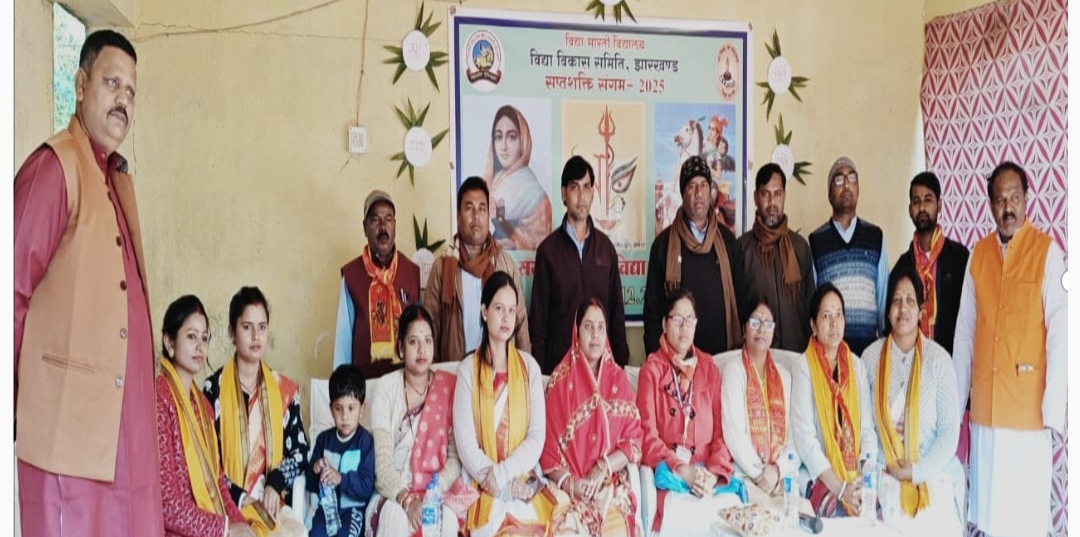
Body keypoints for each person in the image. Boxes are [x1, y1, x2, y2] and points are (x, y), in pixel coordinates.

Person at [14, 30, 165, 537]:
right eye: (111, 83)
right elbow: (11, 290)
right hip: (68, 437)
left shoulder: (114, 178)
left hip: (123, 440)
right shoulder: (55, 167)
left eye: (131, 91)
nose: (123, 100)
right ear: (80, 85)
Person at [953, 162, 1067, 537]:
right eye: (1000, 200)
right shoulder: (979, 254)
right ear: (990, 206)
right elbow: (965, 332)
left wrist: (1054, 410)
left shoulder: (1048, 253)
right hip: (986, 412)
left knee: (1025, 520)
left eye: (1015, 197)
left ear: (1027, 199)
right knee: (990, 518)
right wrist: (956, 407)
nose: (1008, 208)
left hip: (1028, 415)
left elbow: (1061, 333)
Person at [862, 266, 964, 536]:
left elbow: (949, 434)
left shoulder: (939, 361)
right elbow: (863, 426)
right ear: (887, 311)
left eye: (910, 300)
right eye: (896, 300)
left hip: (930, 470)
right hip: (883, 470)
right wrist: (885, 466)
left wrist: (916, 472)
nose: (903, 308)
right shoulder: (870, 358)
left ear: (921, 311)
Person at [453, 271, 555, 537]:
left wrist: (504, 474)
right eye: (499, 308)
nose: (507, 317)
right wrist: (498, 483)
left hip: (521, 477)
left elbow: (536, 438)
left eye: (512, 310)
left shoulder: (529, 368)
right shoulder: (468, 371)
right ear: (484, 312)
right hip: (481, 482)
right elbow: (466, 444)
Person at [203, 287, 308, 536]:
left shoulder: (283, 391)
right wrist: (240, 498)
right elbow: (206, 461)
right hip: (226, 504)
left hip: (270, 505)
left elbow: (300, 452)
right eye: (247, 327)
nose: (255, 336)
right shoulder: (213, 389)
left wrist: (275, 482)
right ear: (232, 332)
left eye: (262, 327)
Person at [636, 288, 741, 537]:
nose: (684, 328)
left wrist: (713, 474)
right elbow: (646, 437)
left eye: (690, 320)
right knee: (682, 516)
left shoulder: (709, 369)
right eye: (677, 320)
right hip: (673, 473)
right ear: (664, 324)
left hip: (707, 475)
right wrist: (683, 470)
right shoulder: (651, 371)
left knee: (731, 515)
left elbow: (722, 434)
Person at [365, 304, 474, 537]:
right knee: (395, 520)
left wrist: (433, 493)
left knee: (446, 522)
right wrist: (407, 499)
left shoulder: (449, 388)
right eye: (414, 342)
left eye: (428, 341)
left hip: (435, 492)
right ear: (401, 348)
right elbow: (381, 464)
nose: (422, 349)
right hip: (392, 494)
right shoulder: (386, 388)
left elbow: (455, 458)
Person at [542, 299, 644, 537]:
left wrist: (604, 466)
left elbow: (634, 441)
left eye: (600, 327)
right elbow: (547, 450)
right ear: (576, 332)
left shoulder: (619, 379)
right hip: (569, 489)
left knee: (617, 530)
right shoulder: (559, 382)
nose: (595, 334)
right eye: (588, 326)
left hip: (610, 485)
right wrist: (571, 483)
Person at [156, 295, 256, 537]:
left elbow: (218, 482)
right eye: (191, 337)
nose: (200, 346)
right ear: (169, 342)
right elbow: (167, 503)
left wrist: (240, 525)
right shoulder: (158, 399)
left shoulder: (202, 405)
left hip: (209, 523)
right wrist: (225, 529)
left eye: (204, 338)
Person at [530, 156, 630, 373]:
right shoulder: (548, 252)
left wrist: (619, 365)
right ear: (563, 194)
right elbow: (539, 321)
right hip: (560, 369)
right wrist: (541, 373)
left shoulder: (606, 249)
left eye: (586, 187)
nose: (581, 196)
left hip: (600, 368)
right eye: (575, 187)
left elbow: (616, 313)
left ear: (593, 193)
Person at [643, 156, 745, 355]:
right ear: (683, 193)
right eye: (692, 186)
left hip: (723, 358)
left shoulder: (728, 242)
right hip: (676, 360)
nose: (699, 193)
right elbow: (653, 312)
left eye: (704, 185)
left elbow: (741, 301)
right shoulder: (663, 245)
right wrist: (658, 362)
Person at [791, 283, 877, 517]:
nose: (834, 323)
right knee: (834, 511)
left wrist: (864, 475)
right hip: (821, 474)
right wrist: (841, 489)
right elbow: (806, 441)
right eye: (826, 316)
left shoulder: (856, 366)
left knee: (876, 509)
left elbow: (867, 430)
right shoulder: (804, 367)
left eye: (839, 315)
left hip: (855, 474)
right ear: (813, 325)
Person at [423, 176, 530, 363]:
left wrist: (524, 368)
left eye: (482, 208)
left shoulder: (504, 264)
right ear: (458, 215)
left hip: (499, 370)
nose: (476, 215)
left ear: (488, 215)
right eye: (469, 208)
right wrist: (434, 372)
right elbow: (431, 327)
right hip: (455, 370)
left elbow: (520, 323)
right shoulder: (442, 267)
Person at [335, 189, 422, 378]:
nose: (383, 227)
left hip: (406, 380)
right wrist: (343, 385)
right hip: (365, 382)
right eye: (375, 220)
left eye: (388, 219)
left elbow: (420, 331)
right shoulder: (352, 275)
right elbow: (343, 339)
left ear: (395, 225)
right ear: (365, 227)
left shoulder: (412, 273)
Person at [720, 295, 801, 497]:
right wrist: (761, 475)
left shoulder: (785, 376)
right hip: (746, 476)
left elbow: (795, 436)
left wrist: (778, 470)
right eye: (755, 323)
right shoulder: (734, 371)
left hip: (781, 479)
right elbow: (734, 435)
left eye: (768, 324)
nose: (761, 330)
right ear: (744, 329)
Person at [808, 156, 889, 356]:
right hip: (830, 357)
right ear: (829, 194)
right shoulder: (815, 242)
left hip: (869, 355)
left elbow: (883, 300)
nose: (846, 184)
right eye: (838, 179)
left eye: (852, 178)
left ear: (858, 189)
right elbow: (814, 303)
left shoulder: (876, 237)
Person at [736, 163, 815, 352]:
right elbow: (736, 312)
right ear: (756, 197)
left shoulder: (800, 248)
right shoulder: (741, 249)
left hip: (796, 355)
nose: (772, 202)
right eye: (765, 194)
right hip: (757, 358)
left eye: (777, 194)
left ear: (784, 196)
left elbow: (811, 307)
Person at [893, 171, 969, 354]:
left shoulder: (959, 258)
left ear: (939, 205)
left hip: (952, 360)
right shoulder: (902, 267)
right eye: (916, 201)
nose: (922, 207)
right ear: (910, 210)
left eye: (928, 199)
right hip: (912, 360)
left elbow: (970, 317)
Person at [308, 365, 376, 537]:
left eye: (351, 408)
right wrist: (315, 469)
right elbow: (310, 484)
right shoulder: (323, 440)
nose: (345, 417)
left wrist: (341, 478)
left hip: (353, 510)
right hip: (326, 510)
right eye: (339, 409)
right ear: (331, 409)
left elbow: (366, 487)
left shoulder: (365, 442)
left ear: (362, 409)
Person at [483, 104, 552, 251]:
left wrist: (515, 243)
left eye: (512, 137)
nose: (503, 146)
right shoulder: (491, 181)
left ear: (523, 141)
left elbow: (541, 243)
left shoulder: (535, 193)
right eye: (498, 137)